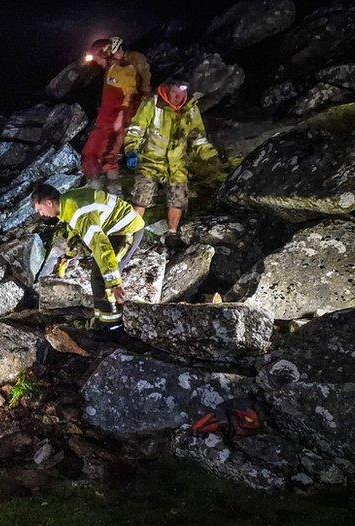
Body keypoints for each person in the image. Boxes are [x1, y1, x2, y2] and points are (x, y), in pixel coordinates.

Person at [32, 183, 145, 330]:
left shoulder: (79, 212)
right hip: (116, 228)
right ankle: (102, 321)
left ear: (48, 203)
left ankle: (111, 326)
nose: (41, 214)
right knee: (98, 278)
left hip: (127, 230)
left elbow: (101, 246)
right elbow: (74, 229)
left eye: (40, 209)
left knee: (102, 279)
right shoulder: (68, 202)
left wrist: (115, 283)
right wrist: (68, 255)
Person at [124, 79, 220, 244]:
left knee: (178, 196)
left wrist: (211, 156)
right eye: (175, 92)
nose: (178, 96)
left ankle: (172, 234)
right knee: (141, 195)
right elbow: (136, 128)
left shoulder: (190, 109)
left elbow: (197, 137)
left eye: (182, 92)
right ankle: (129, 234)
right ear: (168, 89)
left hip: (177, 162)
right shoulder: (152, 103)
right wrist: (131, 150)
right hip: (151, 159)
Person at [81, 36, 152, 192]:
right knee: (96, 154)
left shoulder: (122, 69)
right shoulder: (112, 69)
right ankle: (101, 191)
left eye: (98, 57)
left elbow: (130, 93)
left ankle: (108, 193)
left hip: (114, 120)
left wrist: (121, 117)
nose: (97, 62)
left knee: (104, 155)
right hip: (107, 118)